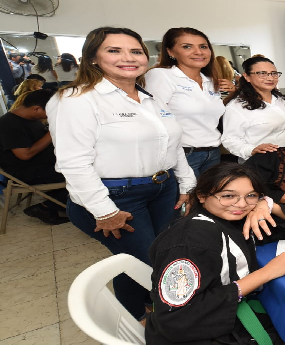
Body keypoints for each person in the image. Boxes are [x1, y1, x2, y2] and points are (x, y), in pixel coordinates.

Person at [46, 26, 197, 320]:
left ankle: (139, 312)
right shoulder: (77, 99)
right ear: (92, 58)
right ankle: (141, 320)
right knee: (151, 262)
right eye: (114, 50)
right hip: (116, 197)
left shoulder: (150, 98)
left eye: (136, 51)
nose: (128, 58)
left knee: (142, 259)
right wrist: (104, 211)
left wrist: (186, 184)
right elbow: (73, 162)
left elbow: (173, 144)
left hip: (163, 189)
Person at [146, 163, 285, 344]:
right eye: (228, 196)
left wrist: (265, 205)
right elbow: (176, 319)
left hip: (231, 313)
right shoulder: (190, 241)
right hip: (199, 334)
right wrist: (267, 272)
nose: (241, 204)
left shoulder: (236, 218)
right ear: (202, 196)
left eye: (251, 195)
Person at [146, 27, 229, 177]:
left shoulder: (209, 81)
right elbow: (153, 119)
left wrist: (234, 93)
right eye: (187, 47)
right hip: (183, 154)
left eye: (203, 47)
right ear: (170, 52)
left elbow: (208, 113)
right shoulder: (161, 75)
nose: (198, 52)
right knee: (187, 193)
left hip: (213, 152)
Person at [0, 89, 69, 224]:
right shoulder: (10, 125)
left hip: (42, 164)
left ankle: (61, 202)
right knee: (83, 173)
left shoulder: (31, 118)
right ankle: (46, 207)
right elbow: (25, 155)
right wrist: (52, 132)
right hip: (26, 172)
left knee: (89, 163)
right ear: (36, 108)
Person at [222, 56, 285, 162]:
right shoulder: (237, 107)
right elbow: (230, 139)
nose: (270, 78)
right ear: (247, 77)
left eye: (274, 73)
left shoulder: (280, 100)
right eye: (262, 73)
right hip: (261, 162)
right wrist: (252, 150)